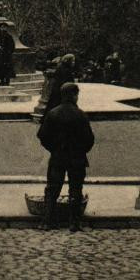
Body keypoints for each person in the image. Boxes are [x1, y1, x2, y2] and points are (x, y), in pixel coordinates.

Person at [37, 82, 94, 232]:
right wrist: (81, 150)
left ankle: (47, 221)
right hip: (77, 158)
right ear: (75, 96)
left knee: (52, 189)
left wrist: (54, 149)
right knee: (76, 189)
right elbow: (89, 139)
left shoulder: (53, 113)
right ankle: (74, 223)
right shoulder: (81, 115)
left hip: (58, 156)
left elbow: (42, 136)